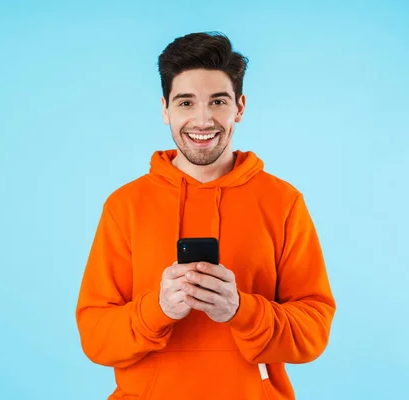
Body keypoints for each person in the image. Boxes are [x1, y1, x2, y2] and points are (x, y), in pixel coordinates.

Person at [76, 31, 336, 400]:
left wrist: (241, 309)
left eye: (217, 101)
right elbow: (95, 337)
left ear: (240, 108)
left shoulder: (283, 202)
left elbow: (313, 332)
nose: (202, 119)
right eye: (185, 103)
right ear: (165, 109)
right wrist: (158, 309)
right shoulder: (125, 205)